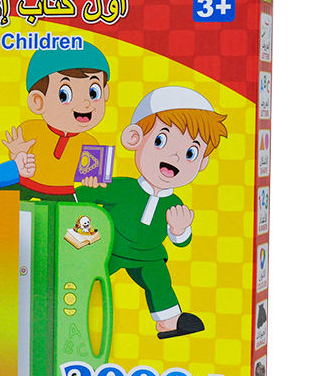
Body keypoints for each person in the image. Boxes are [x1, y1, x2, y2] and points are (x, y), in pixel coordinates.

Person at [77, 87, 227, 339]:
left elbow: (182, 241)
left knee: (159, 280)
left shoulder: (175, 203)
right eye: (161, 141)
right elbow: (82, 196)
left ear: (202, 163)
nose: (176, 157)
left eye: (190, 153)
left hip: (149, 255)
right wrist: (89, 185)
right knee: (87, 272)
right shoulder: (124, 187)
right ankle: (71, 303)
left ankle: (170, 321)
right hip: (110, 246)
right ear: (134, 138)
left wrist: (180, 230)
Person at [4, 43, 111, 198]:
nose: (85, 103)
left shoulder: (91, 143)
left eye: (93, 92)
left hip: (63, 193)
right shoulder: (30, 128)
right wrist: (17, 154)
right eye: (64, 95)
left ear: (105, 93)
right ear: (38, 101)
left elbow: (95, 177)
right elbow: (17, 158)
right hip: (24, 186)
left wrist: (93, 179)